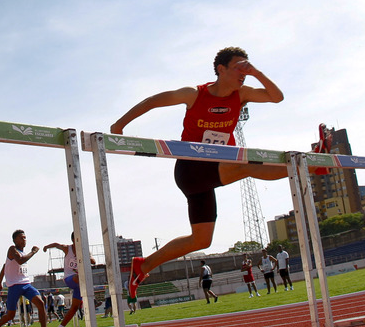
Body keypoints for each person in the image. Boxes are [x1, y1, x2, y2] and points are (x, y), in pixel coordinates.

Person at [110, 46, 331, 301]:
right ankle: (313, 165)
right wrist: (120, 124)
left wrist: (256, 72)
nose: (244, 73)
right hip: (191, 168)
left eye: (247, 67)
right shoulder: (194, 94)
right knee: (246, 164)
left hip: (213, 170)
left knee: (201, 240)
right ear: (221, 69)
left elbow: (276, 97)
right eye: (239, 67)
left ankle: (143, 265)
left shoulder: (241, 94)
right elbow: (152, 101)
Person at [0, 230, 58, 327]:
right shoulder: (12, 249)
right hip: (14, 286)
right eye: (21, 238)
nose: (24, 240)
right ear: (15, 240)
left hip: (26, 284)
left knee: (41, 303)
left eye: (25, 237)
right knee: (11, 315)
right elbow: (19, 261)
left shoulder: (23, 253)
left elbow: (7, 266)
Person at [44, 232, 96, 327]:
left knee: (74, 307)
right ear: (73, 240)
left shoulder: (85, 250)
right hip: (69, 278)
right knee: (78, 277)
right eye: (77, 239)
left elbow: (93, 261)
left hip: (80, 284)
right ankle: (93, 300)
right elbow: (57, 245)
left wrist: (85, 256)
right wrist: (46, 247)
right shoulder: (68, 249)